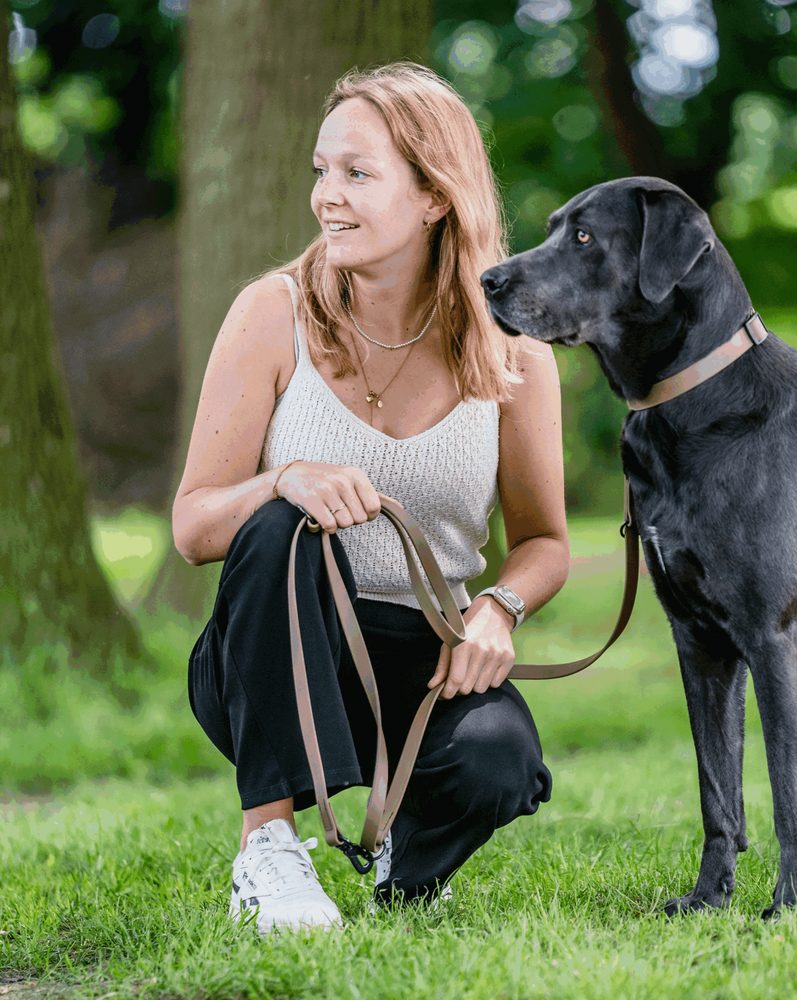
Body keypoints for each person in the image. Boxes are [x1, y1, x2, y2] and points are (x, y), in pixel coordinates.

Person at [172, 61, 569, 935]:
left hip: (426, 658)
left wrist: (499, 609)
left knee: (502, 760)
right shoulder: (270, 312)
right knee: (282, 523)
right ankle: (267, 849)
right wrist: (282, 478)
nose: (327, 196)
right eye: (322, 170)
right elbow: (194, 525)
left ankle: (409, 858)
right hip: (272, 650)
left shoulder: (514, 353)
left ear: (434, 198)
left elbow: (545, 542)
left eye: (357, 173)